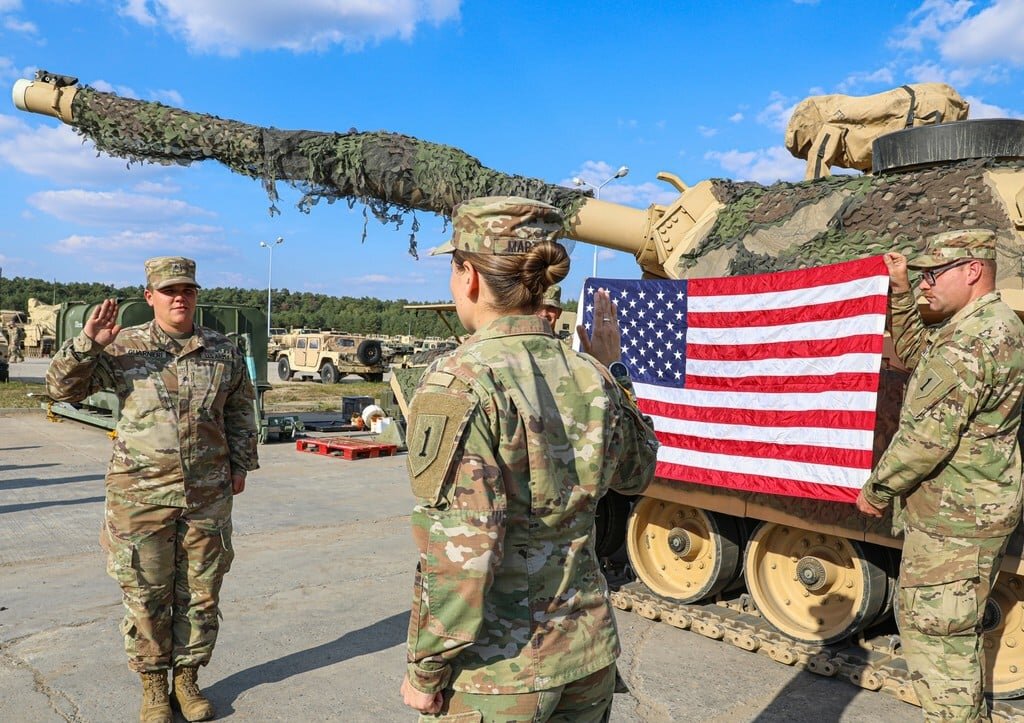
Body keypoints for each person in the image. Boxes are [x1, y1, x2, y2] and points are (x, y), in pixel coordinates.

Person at [398, 196, 658, 722]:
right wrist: (615, 374)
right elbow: (638, 474)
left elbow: (461, 553)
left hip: (500, 673)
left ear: (469, 275)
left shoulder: (460, 381)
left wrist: (425, 669)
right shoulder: (592, 374)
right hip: (586, 655)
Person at [46, 257, 259, 723]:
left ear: (196, 294)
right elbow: (61, 390)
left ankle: (187, 678)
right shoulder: (123, 348)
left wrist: (242, 464)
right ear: (150, 297)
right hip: (140, 496)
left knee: (201, 593)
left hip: (207, 495)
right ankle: (153, 686)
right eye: (168, 291)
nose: (179, 297)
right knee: (145, 592)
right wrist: (87, 344)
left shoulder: (221, 349)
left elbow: (242, 411)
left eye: (187, 289)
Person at [855, 230, 1024, 721]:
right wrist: (902, 288)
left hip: (953, 521)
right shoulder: (993, 325)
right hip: (976, 511)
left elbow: (925, 442)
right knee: (958, 634)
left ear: (972, 270)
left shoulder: (967, 344)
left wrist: (877, 488)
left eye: (934, 274)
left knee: (939, 646)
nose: (926, 283)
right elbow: (915, 352)